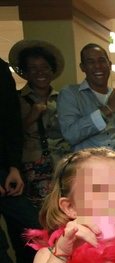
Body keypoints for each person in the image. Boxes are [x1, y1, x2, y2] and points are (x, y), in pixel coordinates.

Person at [9, 39, 71, 206]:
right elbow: (10, 135)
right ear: (26, 72)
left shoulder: (64, 99)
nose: (40, 72)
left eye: (44, 67)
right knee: (39, 218)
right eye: (33, 68)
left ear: (52, 70)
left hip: (62, 165)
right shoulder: (16, 100)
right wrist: (31, 116)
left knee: (65, 212)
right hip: (32, 168)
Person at [57, 43, 115, 153]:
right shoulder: (70, 94)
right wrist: (108, 109)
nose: (97, 66)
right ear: (83, 67)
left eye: (101, 60)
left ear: (109, 64)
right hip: (87, 165)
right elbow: (71, 135)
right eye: (90, 62)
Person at [0, 55, 35, 263]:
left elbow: (10, 120)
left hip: (6, 170)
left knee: (35, 231)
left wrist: (14, 165)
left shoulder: (1, 70)